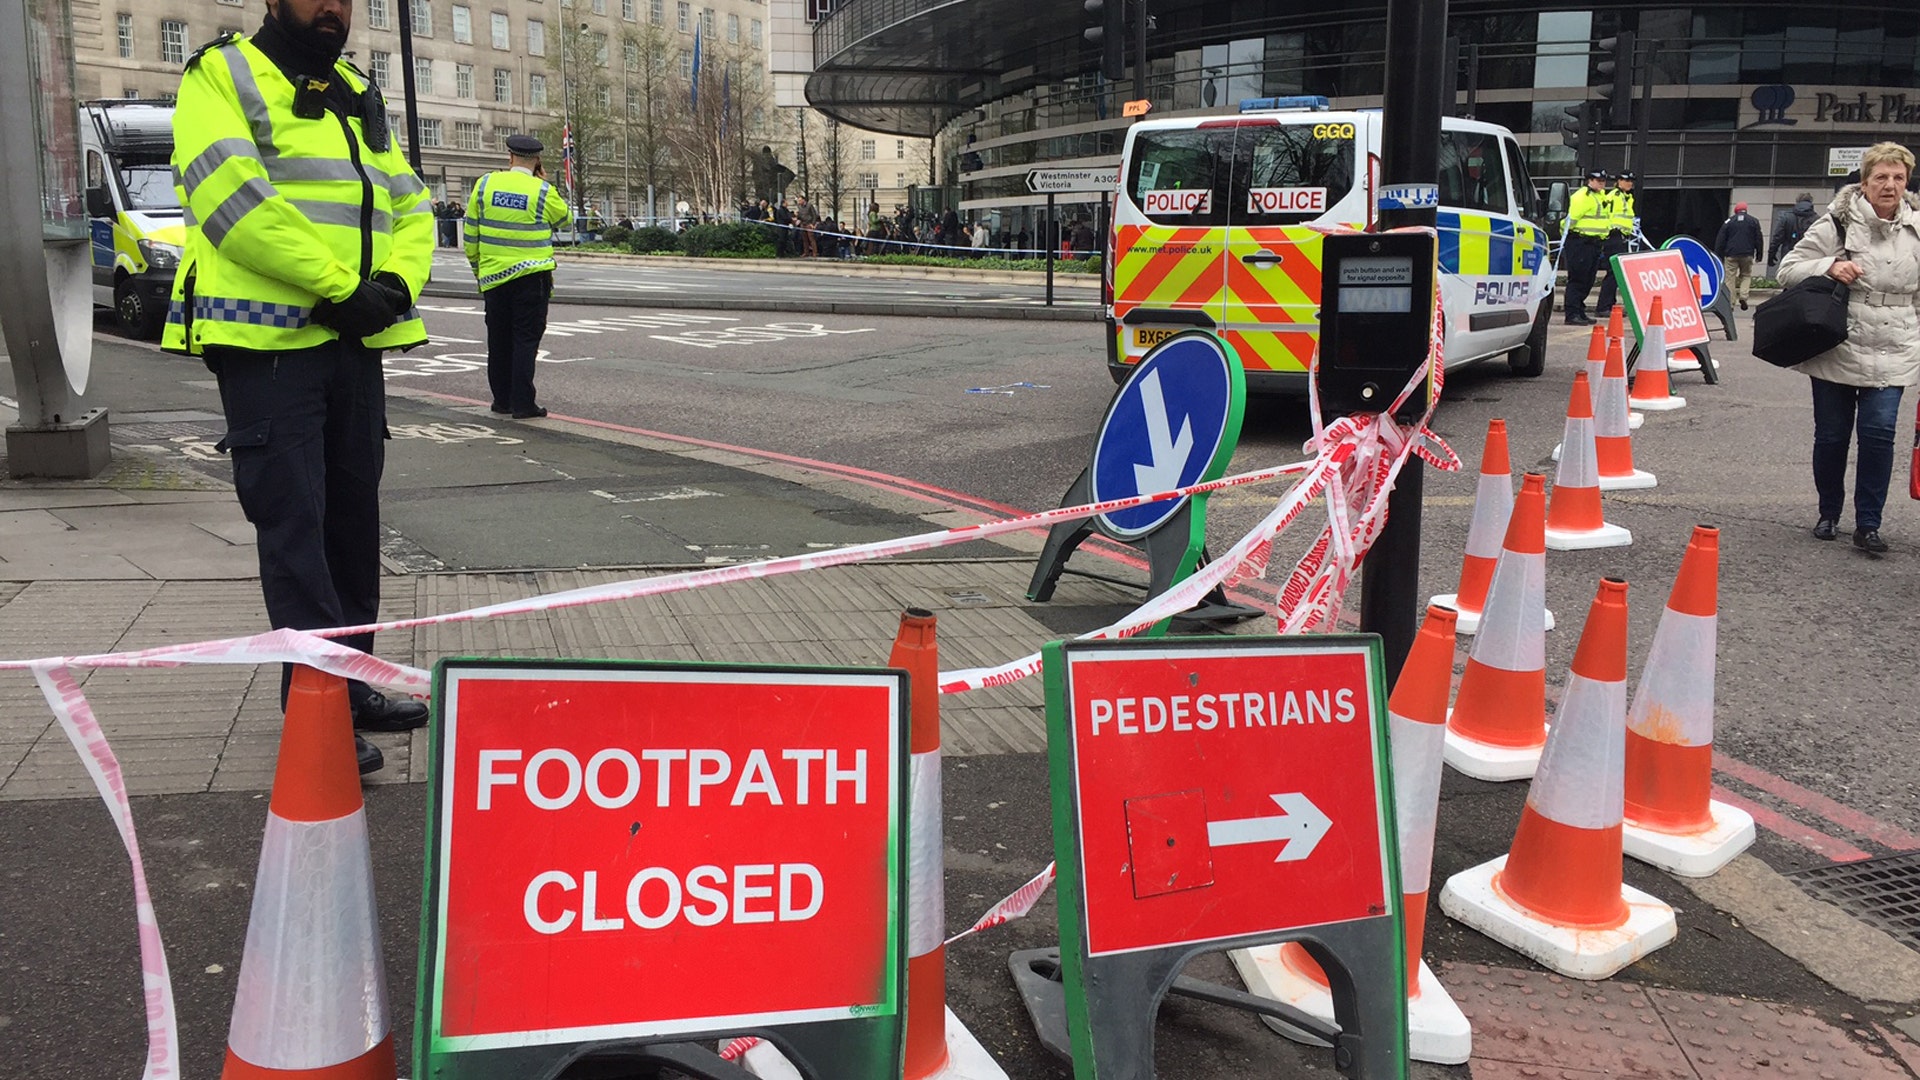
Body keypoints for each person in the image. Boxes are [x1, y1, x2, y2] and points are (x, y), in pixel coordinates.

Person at [165, 0, 435, 775]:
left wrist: (391, 283)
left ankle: (352, 688)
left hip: (354, 339)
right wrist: (337, 286)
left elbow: (408, 201)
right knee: (296, 530)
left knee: (352, 526)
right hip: (268, 345)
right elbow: (233, 203)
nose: (334, 8)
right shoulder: (221, 74)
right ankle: (315, 714)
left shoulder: (353, 85)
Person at [1777, 141, 1920, 554]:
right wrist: (1829, 265)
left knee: (1879, 434)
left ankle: (1868, 524)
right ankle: (1829, 513)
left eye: (1898, 177)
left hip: (1896, 344)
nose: (1889, 185)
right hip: (1837, 341)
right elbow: (1788, 269)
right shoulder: (1836, 224)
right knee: (1833, 436)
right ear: (1865, 181)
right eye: (1881, 177)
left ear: (1907, 181)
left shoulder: (1916, 228)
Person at [465, 134, 570, 420]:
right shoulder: (542, 190)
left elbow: (470, 231)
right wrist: (541, 183)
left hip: (494, 278)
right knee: (525, 339)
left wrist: (479, 269)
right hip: (531, 277)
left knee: (498, 339)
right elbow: (565, 220)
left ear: (509, 157)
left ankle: (502, 400)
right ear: (537, 161)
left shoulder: (485, 184)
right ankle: (523, 404)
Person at [1561, 169, 1611, 325]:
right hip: (1580, 242)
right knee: (1578, 279)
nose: (1601, 184)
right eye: (1598, 181)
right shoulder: (1582, 196)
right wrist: (1567, 237)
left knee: (1588, 280)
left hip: (1594, 243)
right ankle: (1572, 313)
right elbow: (1570, 220)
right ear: (1589, 180)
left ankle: (1579, 310)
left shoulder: (1600, 196)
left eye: (1603, 181)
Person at [1594, 170, 1636, 319]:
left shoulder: (1627, 197)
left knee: (1616, 274)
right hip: (1613, 236)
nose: (1629, 183)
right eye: (1626, 180)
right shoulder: (1613, 196)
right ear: (1618, 181)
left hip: (1622, 237)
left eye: (1631, 181)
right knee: (1613, 273)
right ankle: (1603, 306)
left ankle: (1609, 304)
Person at [1714, 201, 1764, 309]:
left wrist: (1718, 255)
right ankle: (1743, 296)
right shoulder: (1753, 221)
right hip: (1747, 254)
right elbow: (1759, 239)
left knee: (1730, 278)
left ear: (1735, 211)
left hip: (1731, 254)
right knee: (1746, 275)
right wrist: (1759, 254)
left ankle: (1730, 303)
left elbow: (1721, 239)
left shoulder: (1729, 222)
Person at [1769, 192, 1817, 278]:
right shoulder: (1817, 219)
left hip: (1789, 254)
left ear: (1797, 202)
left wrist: (1771, 255)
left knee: (1789, 281)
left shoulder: (1786, 217)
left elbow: (1777, 238)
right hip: (1809, 256)